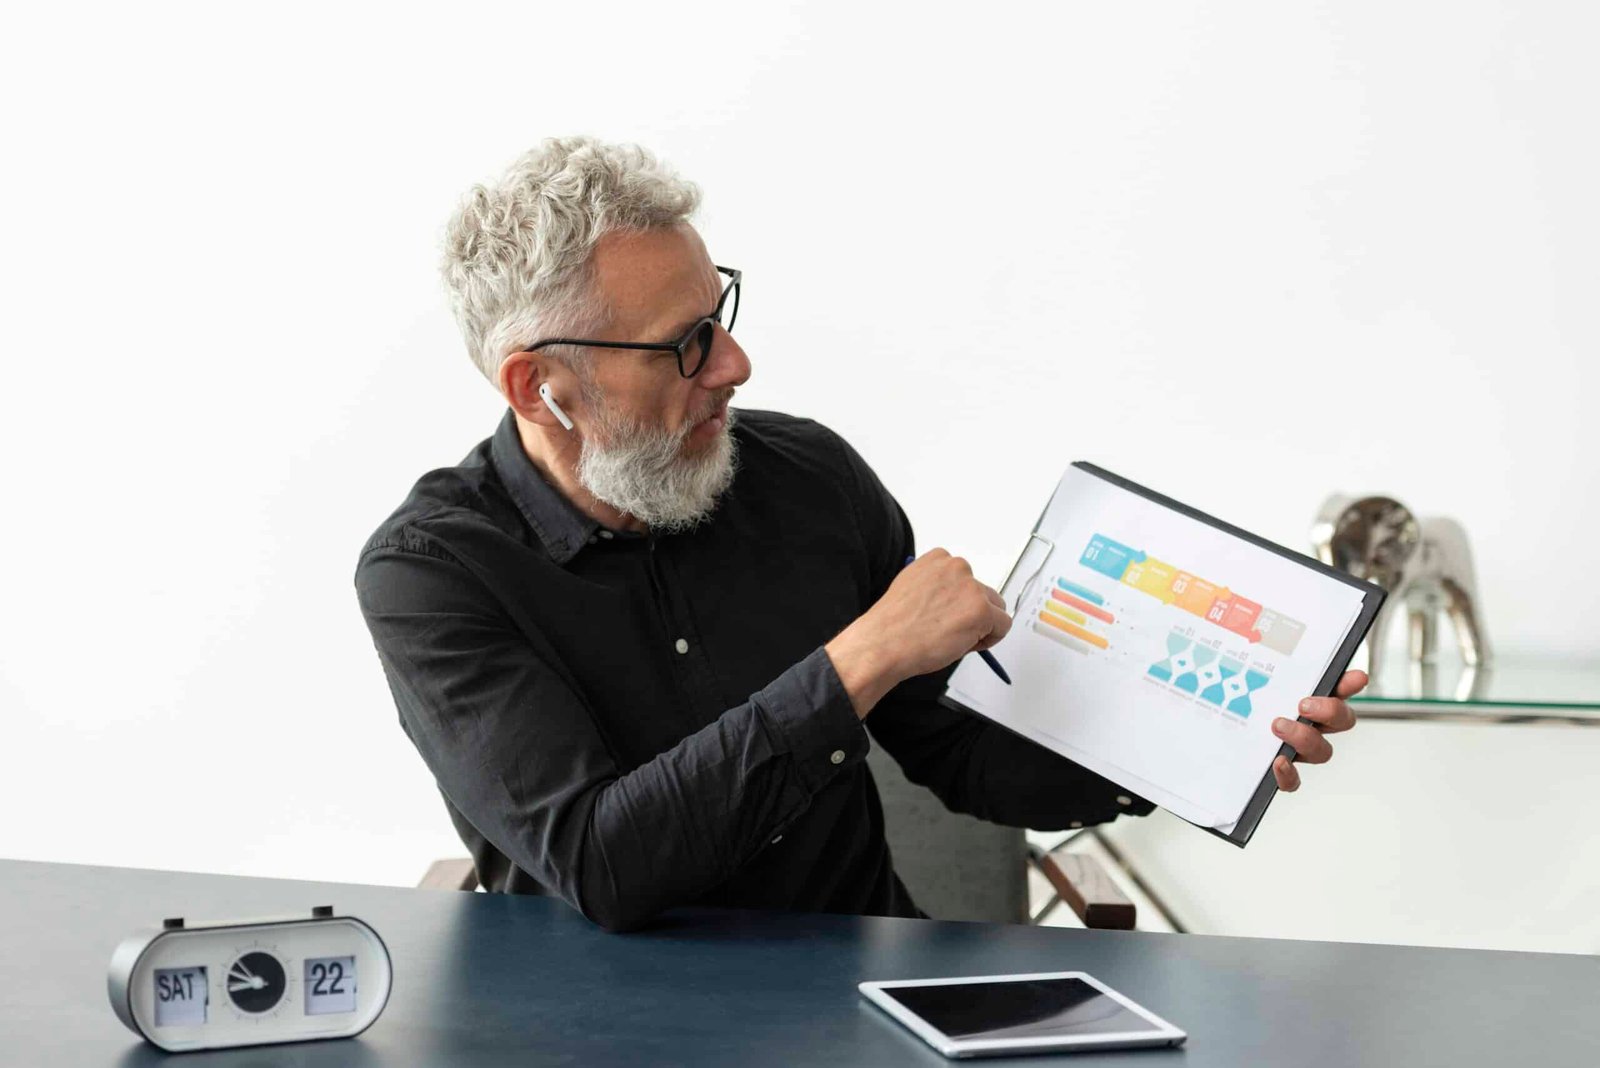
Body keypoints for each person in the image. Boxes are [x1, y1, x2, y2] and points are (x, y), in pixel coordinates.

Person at [354, 136, 1364, 932]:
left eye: (721, 312)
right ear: (540, 385)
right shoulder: (432, 575)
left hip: (861, 995)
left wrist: (1197, 744)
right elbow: (606, 864)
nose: (735, 363)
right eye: (684, 344)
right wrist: (865, 655)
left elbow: (958, 753)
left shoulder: (807, 481)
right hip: (597, 1029)